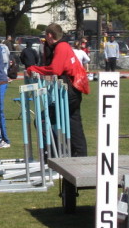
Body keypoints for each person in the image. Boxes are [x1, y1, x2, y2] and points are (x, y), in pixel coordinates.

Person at [26, 23, 89, 157]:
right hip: (72, 90)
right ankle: (77, 154)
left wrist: (34, 69)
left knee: (42, 120)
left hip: (69, 91)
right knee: (73, 123)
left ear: (49, 35)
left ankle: (54, 153)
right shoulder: (63, 45)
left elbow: (55, 69)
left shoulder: (61, 46)